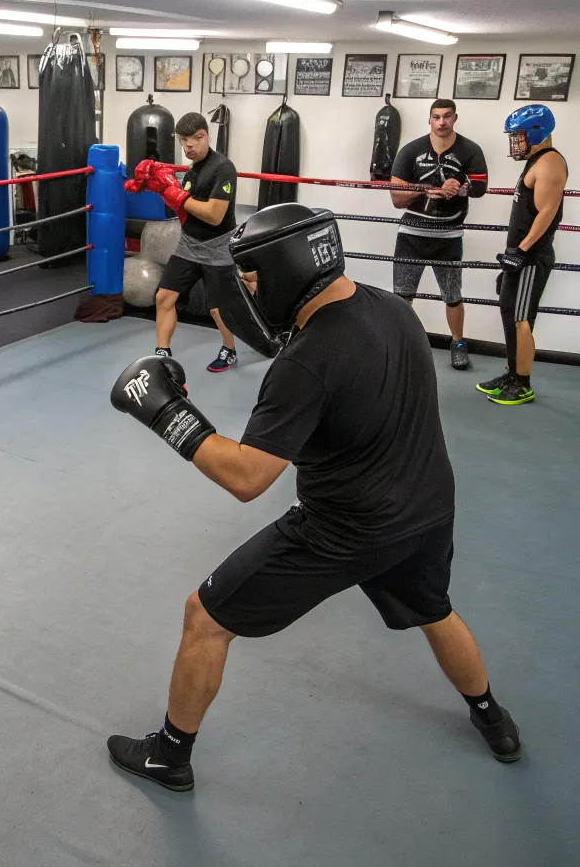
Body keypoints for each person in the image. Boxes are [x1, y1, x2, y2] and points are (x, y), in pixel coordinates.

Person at [106, 203, 521, 792]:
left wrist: (166, 412)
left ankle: (168, 757)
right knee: (435, 610)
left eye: (253, 279)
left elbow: (248, 478)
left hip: (343, 530)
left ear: (285, 271)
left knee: (205, 617)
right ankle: (493, 719)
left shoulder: (307, 363)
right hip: (426, 507)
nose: (250, 291)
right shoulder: (394, 310)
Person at [132, 112, 243, 372]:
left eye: (195, 139)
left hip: (217, 247)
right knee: (164, 296)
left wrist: (178, 195)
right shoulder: (193, 171)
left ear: (206, 136)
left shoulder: (223, 168)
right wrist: (161, 189)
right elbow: (185, 211)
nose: (188, 146)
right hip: (189, 244)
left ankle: (229, 350)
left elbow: (215, 215)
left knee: (217, 309)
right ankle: (162, 353)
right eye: (183, 140)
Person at [477, 105, 568, 406]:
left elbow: (547, 214)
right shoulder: (536, 161)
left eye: (519, 136)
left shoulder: (550, 162)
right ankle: (512, 374)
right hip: (520, 255)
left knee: (521, 319)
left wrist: (522, 251)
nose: (515, 142)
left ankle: (523, 384)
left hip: (532, 257)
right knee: (509, 312)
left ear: (536, 133)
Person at [389, 99, 488, 370]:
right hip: (411, 235)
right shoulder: (411, 150)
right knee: (402, 296)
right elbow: (396, 197)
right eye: (436, 116)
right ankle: (400, 344)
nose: (441, 122)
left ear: (455, 118)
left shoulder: (470, 149)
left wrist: (459, 187)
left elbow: (480, 187)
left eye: (446, 116)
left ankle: (458, 343)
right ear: (429, 119)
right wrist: (425, 189)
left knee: (452, 295)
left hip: (448, 236)